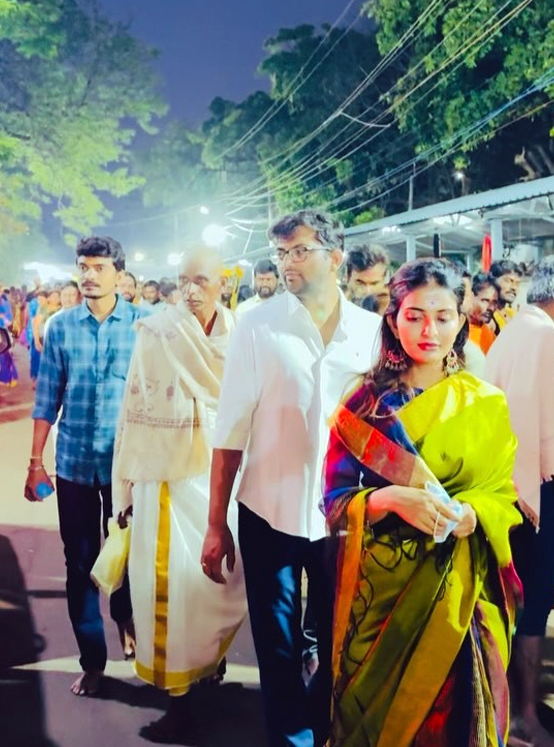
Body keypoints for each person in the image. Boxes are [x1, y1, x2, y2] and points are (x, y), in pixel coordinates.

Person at [201, 209, 381, 747]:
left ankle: (326, 725)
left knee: (336, 634)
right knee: (277, 641)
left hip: (342, 516)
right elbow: (230, 430)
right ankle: (291, 736)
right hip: (267, 508)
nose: (287, 264)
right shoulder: (258, 324)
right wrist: (216, 523)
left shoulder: (372, 333)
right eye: (281, 254)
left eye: (300, 251)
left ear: (335, 256)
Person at [325, 258, 521, 747]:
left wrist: (472, 514)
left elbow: (502, 495)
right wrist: (391, 498)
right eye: (413, 316)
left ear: (461, 319)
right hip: (381, 595)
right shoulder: (364, 404)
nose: (428, 329)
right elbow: (333, 501)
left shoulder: (486, 402)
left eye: (441, 316)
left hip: (458, 593)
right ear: (393, 320)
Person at [112, 246, 247, 743]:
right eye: (183, 280)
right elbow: (132, 405)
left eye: (202, 281)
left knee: (217, 583)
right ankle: (178, 698)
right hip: (165, 478)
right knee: (167, 585)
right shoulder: (156, 332)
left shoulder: (241, 334)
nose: (191, 290)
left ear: (224, 286)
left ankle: (208, 666)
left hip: (224, 474)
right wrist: (123, 483)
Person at [25, 236, 146, 698]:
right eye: (83, 266)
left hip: (128, 469)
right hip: (74, 463)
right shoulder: (60, 327)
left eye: (99, 267)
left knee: (131, 557)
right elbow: (46, 398)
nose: (90, 275)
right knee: (78, 564)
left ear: (119, 273)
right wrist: (36, 463)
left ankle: (125, 616)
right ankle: (93, 661)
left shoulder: (145, 325)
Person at [485, 253, 554, 747]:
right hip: (535, 494)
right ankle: (523, 717)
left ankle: (512, 705)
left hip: (503, 487)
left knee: (515, 601)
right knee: (533, 604)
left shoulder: (513, 331)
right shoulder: (544, 336)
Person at [467, 273, 499, 354]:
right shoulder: (458, 332)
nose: (491, 308)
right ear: (471, 297)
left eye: (494, 302)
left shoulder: (489, 334)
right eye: (485, 301)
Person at [490, 260, 523, 332]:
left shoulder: (513, 314)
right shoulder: (486, 315)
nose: (514, 287)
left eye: (517, 284)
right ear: (493, 281)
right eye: (508, 281)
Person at [0, 290, 18, 389]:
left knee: (4, 356)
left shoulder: (4, 303)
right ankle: (8, 378)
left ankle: (9, 378)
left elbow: (8, 320)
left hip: (2, 332)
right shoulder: (4, 302)